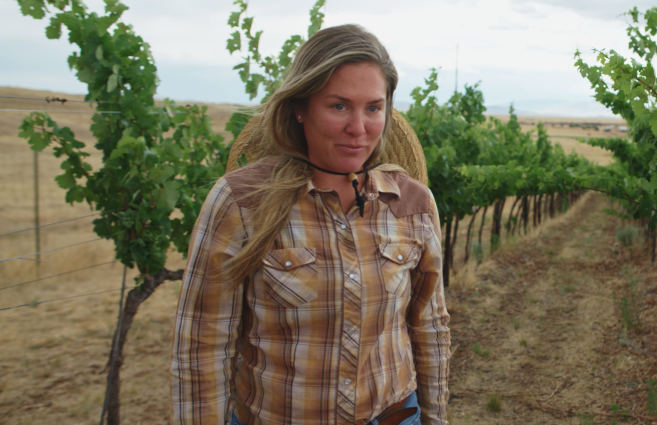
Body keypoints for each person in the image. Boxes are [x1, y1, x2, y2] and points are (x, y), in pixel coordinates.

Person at [170, 24, 450, 425]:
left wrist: (435, 418)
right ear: (300, 107)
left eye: (373, 107)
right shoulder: (243, 202)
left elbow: (430, 328)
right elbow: (201, 346)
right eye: (339, 106)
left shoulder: (412, 204)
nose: (359, 127)